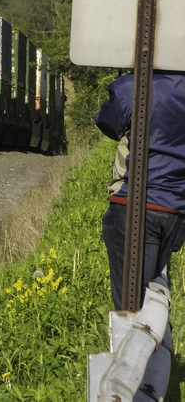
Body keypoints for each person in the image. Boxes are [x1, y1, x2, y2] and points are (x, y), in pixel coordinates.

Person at [95, 71, 185, 400]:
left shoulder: (135, 86)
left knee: (130, 308)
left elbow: (108, 122)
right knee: (151, 294)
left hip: (132, 206)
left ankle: (132, 384)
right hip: (176, 211)